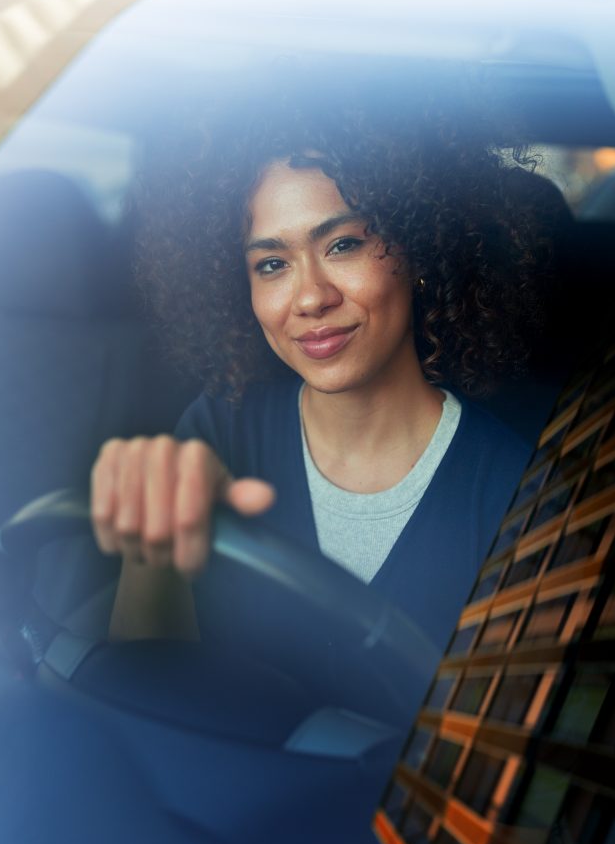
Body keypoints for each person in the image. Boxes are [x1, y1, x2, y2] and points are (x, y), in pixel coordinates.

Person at [90, 82, 553, 722]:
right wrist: (152, 555)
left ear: (420, 249)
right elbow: (136, 696)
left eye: (343, 245)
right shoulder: (219, 430)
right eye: (272, 265)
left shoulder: (522, 498)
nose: (309, 298)